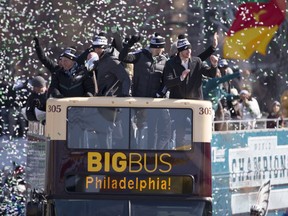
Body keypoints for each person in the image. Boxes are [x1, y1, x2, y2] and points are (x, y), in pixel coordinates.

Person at [163, 34, 218, 147]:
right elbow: (167, 82)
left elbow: (210, 74)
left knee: (199, 131)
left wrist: (214, 65)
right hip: (179, 104)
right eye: (185, 49)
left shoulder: (196, 61)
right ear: (179, 51)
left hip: (196, 102)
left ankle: (199, 156)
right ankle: (180, 155)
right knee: (180, 132)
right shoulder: (171, 64)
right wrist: (180, 78)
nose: (189, 51)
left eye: (189, 48)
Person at [119, 33, 171, 149]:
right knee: (128, 125)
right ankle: (132, 148)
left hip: (153, 102)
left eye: (161, 48)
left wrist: (160, 93)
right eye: (157, 48)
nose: (159, 51)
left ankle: (150, 155)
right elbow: (122, 57)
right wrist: (130, 43)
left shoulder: (165, 61)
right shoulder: (140, 55)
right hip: (138, 99)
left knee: (153, 130)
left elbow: (167, 81)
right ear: (151, 47)